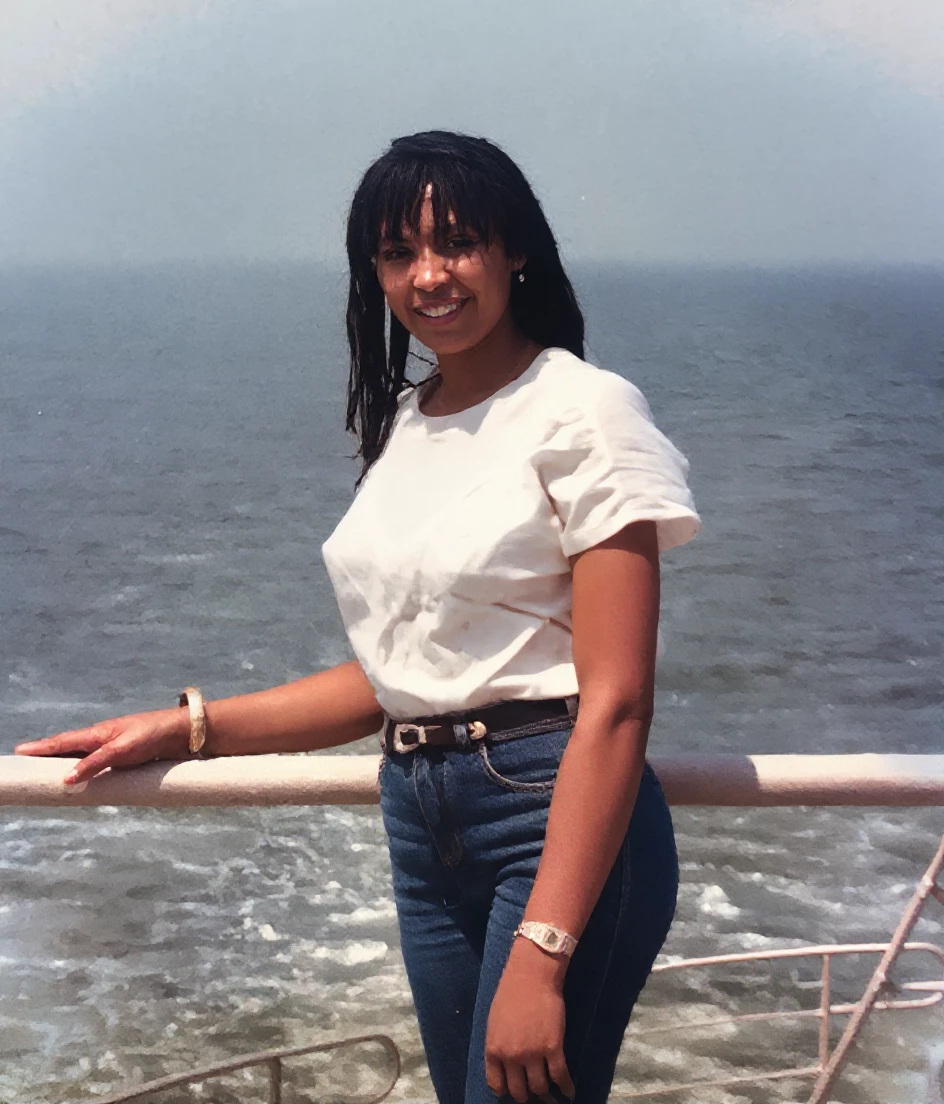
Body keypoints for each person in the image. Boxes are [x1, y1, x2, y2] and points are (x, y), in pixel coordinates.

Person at [16, 131, 700, 1104]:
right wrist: (184, 728)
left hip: (551, 816)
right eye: (397, 252)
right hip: (421, 822)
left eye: (456, 242)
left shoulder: (585, 411)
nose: (428, 275)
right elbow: (401, 681)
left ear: (515, 250)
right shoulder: (410, 421)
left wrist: (544, 951)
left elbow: (619, 700)